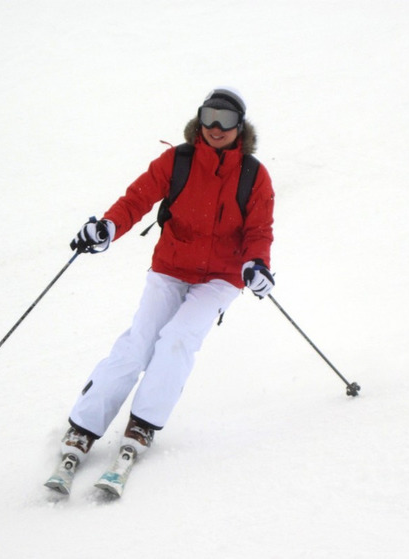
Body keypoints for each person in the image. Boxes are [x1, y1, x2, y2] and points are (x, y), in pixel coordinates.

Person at [52, 87, 275, 482]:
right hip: (171, 267)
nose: (215, 127)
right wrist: (107, 228)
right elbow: (136, 200)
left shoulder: (254, 176)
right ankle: (83, 426)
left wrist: (256, 264)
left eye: (225, 120)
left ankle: (143, 423)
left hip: (220, 277)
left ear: (240, 126)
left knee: (177, 340)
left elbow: (259, 229)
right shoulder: (178, 161)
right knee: (139, 342)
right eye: (209, 116)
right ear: (199, 118)